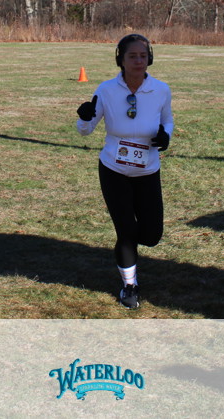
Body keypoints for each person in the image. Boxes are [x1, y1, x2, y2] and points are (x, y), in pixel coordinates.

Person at [76, 34, 173, 309]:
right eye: (132, 56)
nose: (138, 61)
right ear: (121, 59)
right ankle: (129, 285)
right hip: (113, 169)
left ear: (150, 58)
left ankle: (129, 245)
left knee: (151, 235)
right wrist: (84, 117)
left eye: (143, 55)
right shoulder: (107, 90)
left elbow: (167, 119)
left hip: (148, 171)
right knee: (126, 231)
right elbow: (86, 130)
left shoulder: (161, 89)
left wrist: (165, 135)